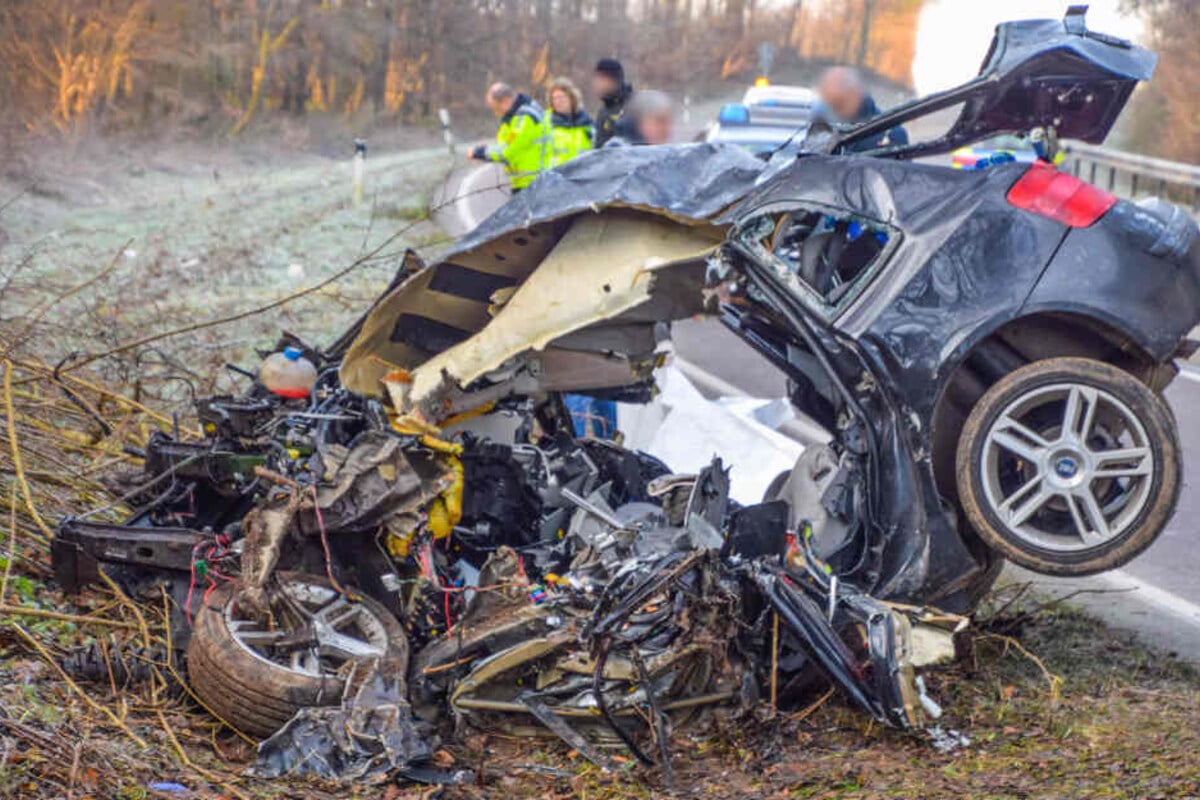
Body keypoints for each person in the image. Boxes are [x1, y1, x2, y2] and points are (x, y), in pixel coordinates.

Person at [470, 82, 544, 192]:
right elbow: (509, 143)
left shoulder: (524, 118)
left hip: (534, 183)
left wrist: (480, 152)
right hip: (529, 182)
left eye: (496, 108)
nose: (496, 113)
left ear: (505, 101)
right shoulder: (516, 117)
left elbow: (509, 150)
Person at [816, 66, 908, 153]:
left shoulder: (892, 136)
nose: (832, 110)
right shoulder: (818, 124)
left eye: (838, 103)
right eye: (828, 103)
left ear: (855, 94)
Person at [542, 77, 594, 169]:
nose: (558, 102)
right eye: (554, 98)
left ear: (572, 98)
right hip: (556, 177)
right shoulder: (545, 122)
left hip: (583, 175)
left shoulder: (587, 124)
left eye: (561, 97)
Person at [603, 90, 675, 147]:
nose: (667, 129)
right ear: (639, 122)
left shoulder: (667, 156)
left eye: (669, 122)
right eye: (660, 121)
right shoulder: (618, 152)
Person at [592, 58, 634, 148]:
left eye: (602, 79)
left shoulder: (633, 107)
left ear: (615, 80)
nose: (597, 84)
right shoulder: (603, 111)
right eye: (596, 79)